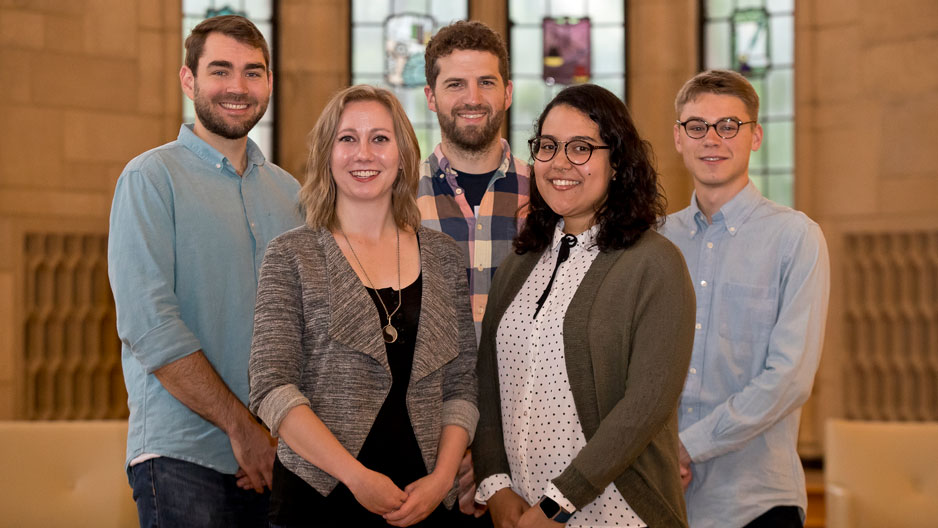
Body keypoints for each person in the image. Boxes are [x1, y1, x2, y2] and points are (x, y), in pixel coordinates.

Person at [248, 85, 478, 527]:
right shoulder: (291, 255)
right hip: (319, 500)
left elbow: (461, 387)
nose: (363, 154)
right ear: (326, 155)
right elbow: (272, 387)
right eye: (347, 138)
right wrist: (355, 477)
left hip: (425, 501)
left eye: (380, 138)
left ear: (403, 155)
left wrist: (442, 479)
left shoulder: (444, 256)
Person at [108, 15, 302, 527]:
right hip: (183, 458)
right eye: (220, 70)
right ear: (188, 80)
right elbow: (151, 326)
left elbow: (308, 331)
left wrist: (283, 437)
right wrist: (242, 428)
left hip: (285, 457)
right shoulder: (150, 179)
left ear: (270, 84)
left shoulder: (293, 196)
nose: (237, 87)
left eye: (252, 72)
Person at [473, 84, 696, 528]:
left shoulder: (655, 263)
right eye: (548, 146)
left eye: (581, 148)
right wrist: (496, 486)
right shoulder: (520, 261)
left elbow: (645, 406)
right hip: (521, 511)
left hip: (617, 511)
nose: (560, 163)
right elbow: (487, 382)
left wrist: (557, 505)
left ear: (617, 163)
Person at [661, 69, 830, 528]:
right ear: (679, 138)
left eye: (728, 125)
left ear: (755, 136)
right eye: (697, 126)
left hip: (756, 500)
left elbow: (790, 378)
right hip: (658, 497)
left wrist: (686, 444)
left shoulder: (796, 238)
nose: (712, 139)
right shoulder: (657, 241)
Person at [418, 20, 530, 521]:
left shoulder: (550, 195)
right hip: (426, 456)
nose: (472, 97)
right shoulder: (396, 200)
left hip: (531, 450)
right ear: (430, 96)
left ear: (507, 92)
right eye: (455, 84)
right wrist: (458, 449)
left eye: (486, 82)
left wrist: (491, 456)